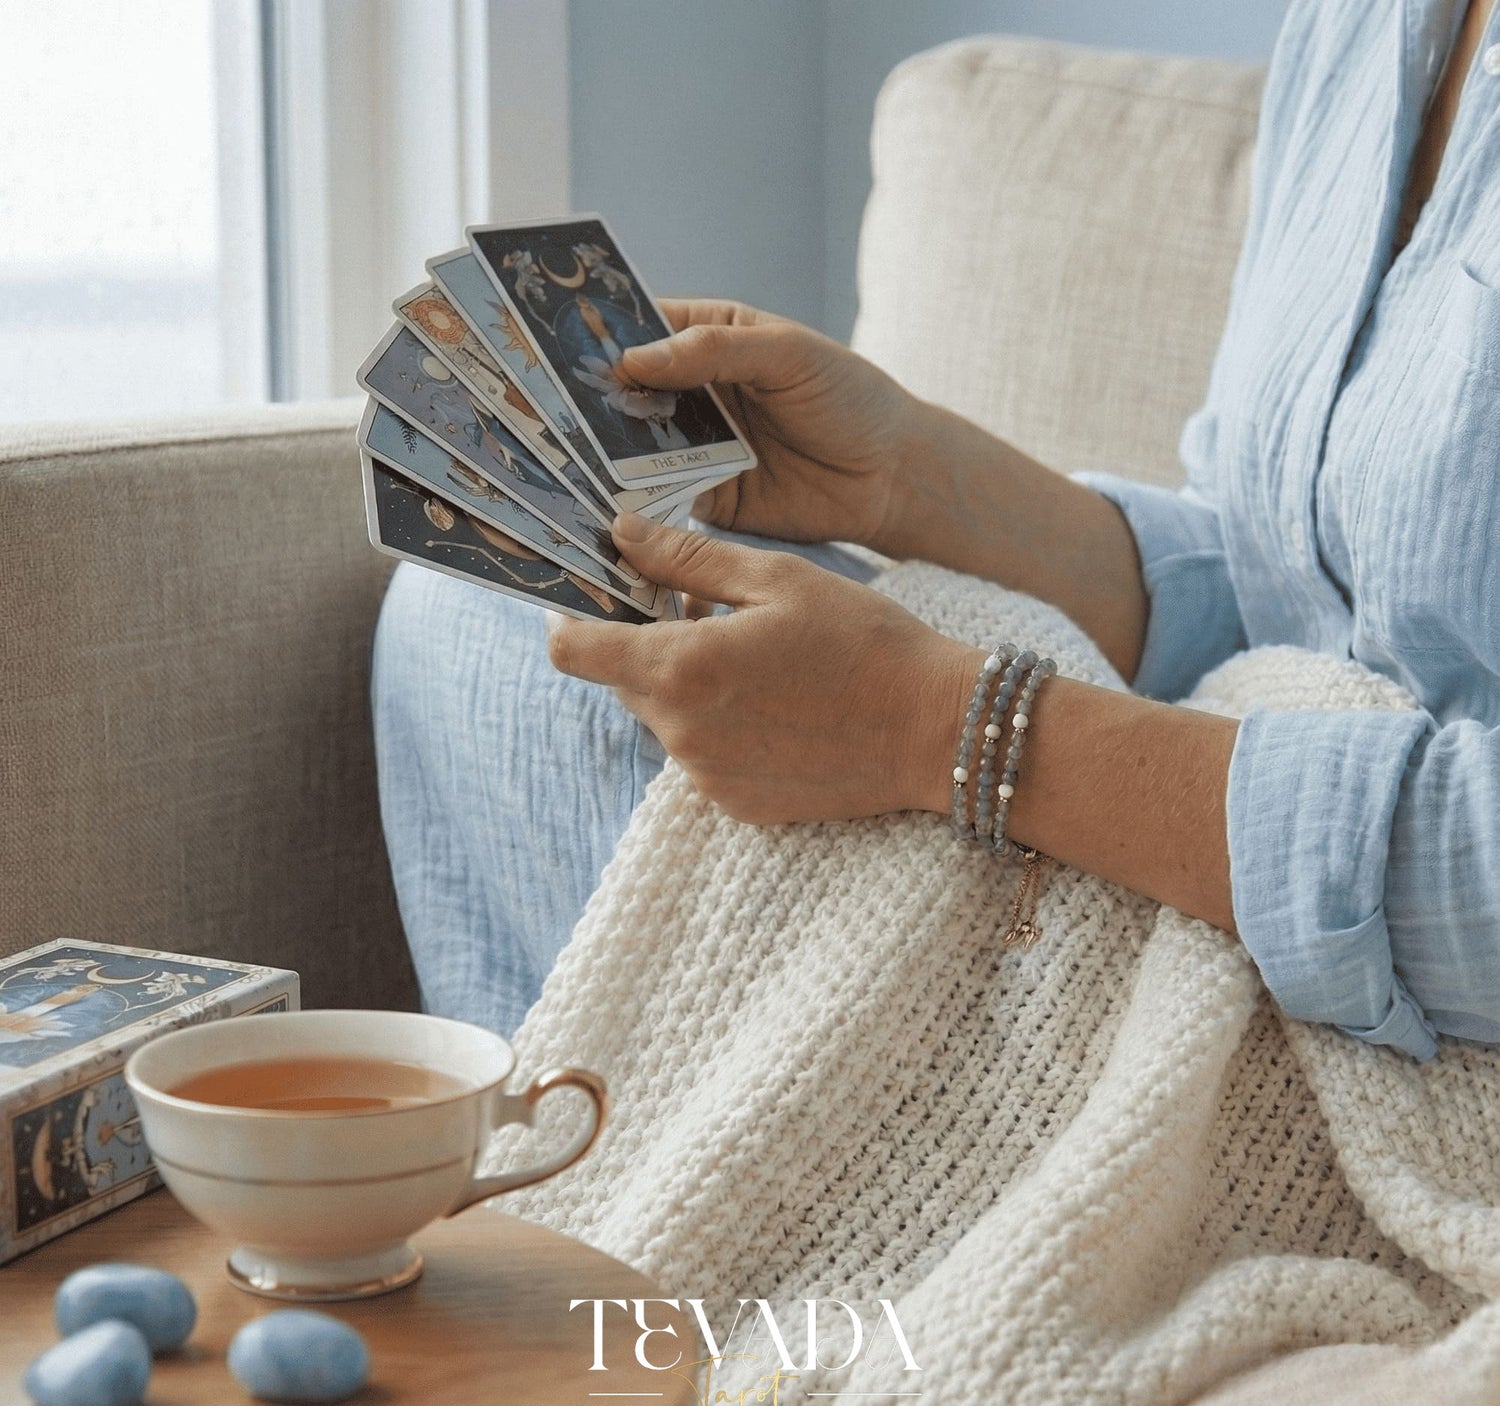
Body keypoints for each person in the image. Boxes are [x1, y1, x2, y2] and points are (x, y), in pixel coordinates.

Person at [372, 0, 1500, 1059]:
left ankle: (604, 1220)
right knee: (490, 604)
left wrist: (934, 727)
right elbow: (1295, 597)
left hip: (1398, 1014)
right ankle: (559, 1208)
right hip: (1227, 796)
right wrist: (909, 478)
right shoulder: (1365, 26)